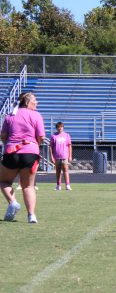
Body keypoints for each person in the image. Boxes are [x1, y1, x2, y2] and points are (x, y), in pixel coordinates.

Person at [0, 92, 45, 223]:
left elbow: (3, 136)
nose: (37, 103)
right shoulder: (36, 115)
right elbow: (41, 137)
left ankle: (12, 202)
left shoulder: (10, 116)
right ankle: (31, 215)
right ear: (27, 102)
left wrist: (8, 144)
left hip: (11, 152)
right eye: (35, 100)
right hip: (30, 153)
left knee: (3, 181)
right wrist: (35, 146)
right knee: (28, 186)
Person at [50, 121, 72, 191]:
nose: (60, 128)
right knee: (58, 171)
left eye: (61, 127)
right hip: (56, 156)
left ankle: (67, 185)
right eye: (59, 127)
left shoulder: (67, 135)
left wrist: (70, 156)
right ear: (56, 128)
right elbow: (51, 147)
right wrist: (52, 156)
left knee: (65, 170)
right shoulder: (53, 136)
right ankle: (58, 185)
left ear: (63, 128)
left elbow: (69, 146)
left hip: (64, 156)